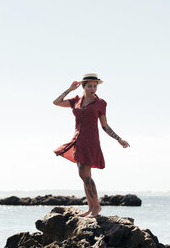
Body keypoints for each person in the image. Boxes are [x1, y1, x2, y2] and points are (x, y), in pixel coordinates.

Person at [53, 73, 130, 217]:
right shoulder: (76, 100)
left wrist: (119, 139)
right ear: (83, 87)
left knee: (84, 174)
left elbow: (105, 126)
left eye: (95, 86)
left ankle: (96, 207)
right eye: (89, 86)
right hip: (78, 140)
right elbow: (56, 102)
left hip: (91, 141)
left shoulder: (100, 103)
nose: (93, 88)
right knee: (84, 175)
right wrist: (70, 89)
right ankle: (90, 208)